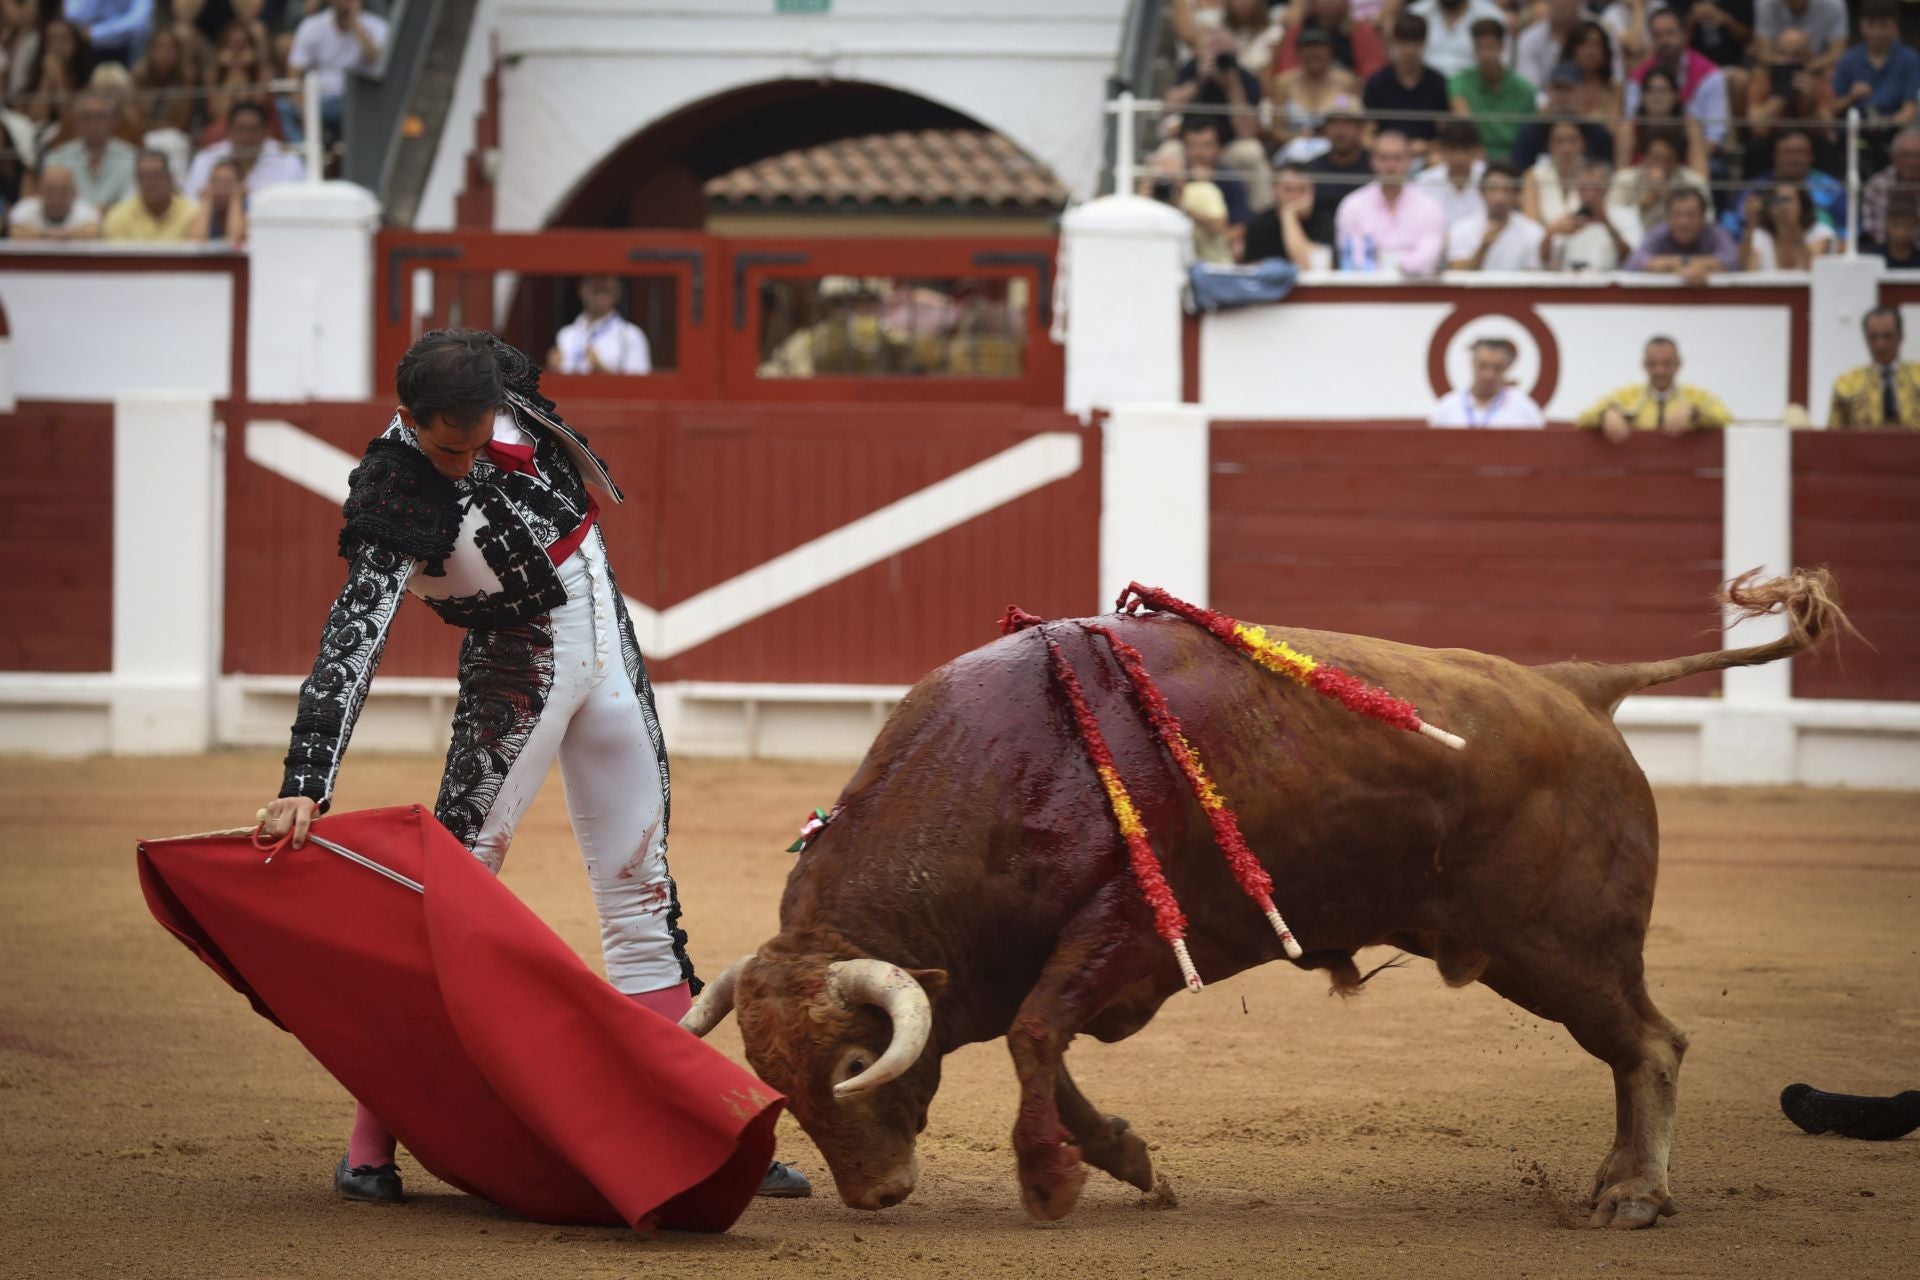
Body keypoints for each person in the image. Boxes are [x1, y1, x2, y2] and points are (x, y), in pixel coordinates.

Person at [257, 330, 813, 1204]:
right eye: (451, 447)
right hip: (516, 675)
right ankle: (370, 1148)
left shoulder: (498, 382)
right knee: (447, 907)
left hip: (609, 648)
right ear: (410, 420)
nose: (467, 460)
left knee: (643, 891)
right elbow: (352, 640)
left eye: (480, 439)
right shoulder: (397, 488)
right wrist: (306, 777)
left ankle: (700, 1126)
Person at [1333, 128, 1447, 274]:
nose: (1391, 165)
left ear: (1409, 161)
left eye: (1397, 158)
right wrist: (1402, 260)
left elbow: (1427, 260)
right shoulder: (1352, 205)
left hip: (1415, 293)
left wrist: (1383, 260)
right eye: (1384, 158)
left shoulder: (1429, 207)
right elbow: (1354, 258)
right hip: (1366, 292)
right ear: (1373, 161)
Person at [1577, 336, 1733, 442]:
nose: (1659, 371)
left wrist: (1695, 415)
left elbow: (1727, 419)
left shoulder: (1695, 396)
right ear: (1644, 365)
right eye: (1652, 364)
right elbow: (1582, 419)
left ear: (1678, 365)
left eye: (1666, 364)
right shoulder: (1628, 396)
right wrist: (1605, 414)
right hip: (1636, 476)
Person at [1625, 7, 1730, 149]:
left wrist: (1687, 162)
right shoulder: (1638, 77)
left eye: (1670, 33)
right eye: (1657, 35)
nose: (1664, 41)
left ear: (1685, 34)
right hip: (1647, 158)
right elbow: (1632, 127)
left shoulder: (1710, 74)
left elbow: (1715, 135)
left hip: (1699, 155)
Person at [285, 0, 386, 138]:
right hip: (319, 98)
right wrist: (298, 100)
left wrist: (356, 25)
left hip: (357, 98)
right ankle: (303, 156)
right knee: (282, 108)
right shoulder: (311, 25)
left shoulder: (378, 26)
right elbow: (294, 71)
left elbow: (377, 60)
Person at [1746, 28, 1838, 174]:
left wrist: (1810, 101)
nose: (1788, 61)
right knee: (1756, 146)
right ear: (1774, 56)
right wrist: (1781, 95)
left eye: (1796, 56)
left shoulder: (1819, 86)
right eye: (1783, 54)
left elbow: (1826, 129)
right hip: (1772, 142)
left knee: (1826, 146)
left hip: (1809, 144)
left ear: (1808, 60)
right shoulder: (1762, 83)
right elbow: (1757, 128)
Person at [1723, 130, 1845, 237]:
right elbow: (1731, 224)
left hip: (1821, 253)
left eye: (1799, 152)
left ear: (1811, 156)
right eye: (1787, 152)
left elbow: (1848, 227)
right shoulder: (1755, 189)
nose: (1793, 158)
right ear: (1775, 156)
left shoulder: (1831, 188)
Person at [1362, 12, 1450, 157]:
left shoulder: (1438, 83)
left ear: (1424, 43)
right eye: (1404, 42)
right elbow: (1366, 135)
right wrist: (1390, 148)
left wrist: (1427, 146)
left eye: (1414, 42)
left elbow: (1445, 135)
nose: (1409, 50)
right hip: (1386, 157)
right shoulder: (1377, 83)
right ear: (1394, 42)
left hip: (1425, 156)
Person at [1606, 124, 1712, 244]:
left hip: (1681, 245)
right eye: (1655, 158)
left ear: (1677, 161)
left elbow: (1708, 219)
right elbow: (1613, 217)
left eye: (1668, 159)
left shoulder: (1694, 182)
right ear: (1644, 157)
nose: (1661, 164)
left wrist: (1669, 197)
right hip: (1634, 245)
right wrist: (1648, 200)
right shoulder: (1624, 180)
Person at [1449, 18, 1534, 164]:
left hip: (1515, 159)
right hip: (1474, 157)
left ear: (1502, 47)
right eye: (1480, 48)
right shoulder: (1460, 82)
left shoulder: (1524, 89)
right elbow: (1463, 123)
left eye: (1490, 47)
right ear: (1474, 50)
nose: (1486, 55)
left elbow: (1531, 135)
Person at [1270, 27, 1358, 161]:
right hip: (1294, 150)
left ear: (1330, 52)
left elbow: (1352, 121)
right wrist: (1297, 138)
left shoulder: (1345, 82)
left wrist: (1329, 136)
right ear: (1298, 52)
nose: (1314, 53)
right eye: (1308, 48)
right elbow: (1277, 130)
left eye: (1320, 48)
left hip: (1334, 150)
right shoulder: (1284, 83)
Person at [184, 99, 302, 197]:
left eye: (254, 129)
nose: (247, 136)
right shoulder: (206, 159)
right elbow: (192, 201)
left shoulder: (288, 161)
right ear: (228, 131)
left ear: (265, 132)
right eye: (241, 129)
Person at [40, 88, 136, 207]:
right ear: (76, 121)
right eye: (87, 117)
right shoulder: (57, 159)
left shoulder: (133, 157)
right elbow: (53, 202)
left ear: (112, 121)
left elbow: (132, 203)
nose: (93, 124)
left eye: (100, 117)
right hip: (74, 224)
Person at [1827, 307, 1920, 428]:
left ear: (1901, 336)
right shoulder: (1847, 382)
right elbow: (1833, 435)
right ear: (1866, 338)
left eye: (1888, 336)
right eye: (1873, 337)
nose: (1881, 344)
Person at [1511, 62, 1613, 169]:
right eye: (1557, 90)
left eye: (1568, 90)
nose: (1562, 97)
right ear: (1548, 92)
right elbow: (1520, 174)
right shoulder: (1529, 133)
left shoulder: (1598, 134)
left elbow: (1606, 171)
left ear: (1581, 93)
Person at [1428, 337, 1547, 427]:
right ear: (1472, 364)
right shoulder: (1446, 408)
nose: (1489, 375)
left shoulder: (1525, 409)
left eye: (1497, 368)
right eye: (1483, 366)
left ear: (1506, 369)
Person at [1625, 187, 1738, 280]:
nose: (1684, 223)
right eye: (1677, 215)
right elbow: (1633, 263)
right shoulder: (1660, 232)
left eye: (1691, 215)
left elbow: (1733, 261)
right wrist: (1679, 265)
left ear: (1703, 218)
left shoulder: (1716, 232)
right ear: (1668, 218)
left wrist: (1678, 266)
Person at [1447, 162, 1545, 270]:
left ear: (1517, 195)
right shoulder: (1462, 229)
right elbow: (1456, 271)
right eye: (1493, 189)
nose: (1499, 198)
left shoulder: (1533, 232)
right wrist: (1484, 247)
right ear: (1482, 192)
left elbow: (1535, 275)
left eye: (1506, 190)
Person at [1302, 97, 1372, 245]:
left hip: (1368, 247)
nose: (1340, 130)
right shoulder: (1311, 169)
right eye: (1334, 123)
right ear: (1325, 128)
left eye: (1348, 123)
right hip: (1319, 249)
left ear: (1360, 128)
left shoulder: (1375, 168)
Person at [1619, 64, 1711, 174]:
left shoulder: (1690, 128)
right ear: (1642, 96)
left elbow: (1701, 176)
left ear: (1676, 96)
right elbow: (1621, 177)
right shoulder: (1629, 129)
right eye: (1650, 90)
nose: (1656, 96)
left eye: (1662, 90)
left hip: (1681, 188)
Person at [1547, 157, 1635, 268]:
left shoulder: (1625, 216)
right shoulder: (1567, 219)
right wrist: (1549, 234)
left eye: (1595, 188)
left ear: (1607, 187)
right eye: (1583, 188)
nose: (1589, 194)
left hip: (1608, 283)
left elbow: (1631, 257)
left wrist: (1605, 220)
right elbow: (1548, 261)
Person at [1241, 163, 1331, 266]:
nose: (1295, 196)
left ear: (1312, 190)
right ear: (1275, 190)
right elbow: (1253, 270)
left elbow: (1310, 265)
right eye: (1289, 189)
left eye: (1302, 189)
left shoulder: (1324, 221)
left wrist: (1288, 215)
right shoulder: (1259, 224)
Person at [1271, 0, 1387, 79]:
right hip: (1303, 97)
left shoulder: (1362, 32)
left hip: (1344, 101)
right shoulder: (1296, 31)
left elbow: (1373, 75)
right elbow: (1286, 72)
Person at [100, 146, 194, 239]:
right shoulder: (118, 218)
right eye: (143, 177)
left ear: (170, 178)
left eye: (156, 176)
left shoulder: (192, 215)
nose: (149, 183)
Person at [1739, 183, 1833, 270]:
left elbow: (1811, 268)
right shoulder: (1760, 235)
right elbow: (1748, 269)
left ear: (1802, 205)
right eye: (1777, 200)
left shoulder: (1820, 232)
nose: (1783, 206)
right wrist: (1750, 224)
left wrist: (1792, 227)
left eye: (1787, 200)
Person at [1408, 0, 1507, 80]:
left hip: (1474, 94)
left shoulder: (1492, 16)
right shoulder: (1415, 13)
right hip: (1425, 94)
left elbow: (1503, 63)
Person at [1414, 116, 1486, 224]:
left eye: (1466, 149)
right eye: (1453, 149)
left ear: (1477, 150)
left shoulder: (1490, 178)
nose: (1459, 158)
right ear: (1441, 150)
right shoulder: (1425, 182)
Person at [1522, 117, 1591, 226]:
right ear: (1549, 144)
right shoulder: (1533, 176)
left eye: (1572, 140)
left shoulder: (1594, 177)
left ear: (1583, 143)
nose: (1566, 148)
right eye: (1559, 141)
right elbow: (1530, 226)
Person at [1752, 0, 1848, 76]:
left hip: (1817, 64)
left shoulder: (1833, 4)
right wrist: (1789, 65)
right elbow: (1764, 55)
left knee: (1832, 73)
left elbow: (1837, 54)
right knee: (1758, 73)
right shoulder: (1765, 3)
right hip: (1778, 64)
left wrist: (1805, 67)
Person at [5, 161, 100, 238]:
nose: (56, 198)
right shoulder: (25, 207)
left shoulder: (86, 209)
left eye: (64, 191)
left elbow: (92, 232)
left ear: (74, 192)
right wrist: (50, 235)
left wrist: (45, 236)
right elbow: (15, 232)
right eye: (50, 191)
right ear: (39, 191)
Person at [1862, 127, 1920, 251]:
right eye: (1906, 155)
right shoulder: (1876, 185)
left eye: (1917, 156)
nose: (1912, 162)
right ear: (1893, 157)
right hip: (1886, 256)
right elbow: (1872, 230)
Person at [61, 0, 153, 67]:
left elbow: (138, 21)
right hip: (88, 48)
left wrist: (95, 32)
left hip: (127, 49)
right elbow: (72, 14)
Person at [187, 155, 246, 243]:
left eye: (227, 182)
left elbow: (235, 241)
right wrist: (206, 201)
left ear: (239, 186)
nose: (221, 188)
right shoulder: (204, 208)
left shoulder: (248, 209)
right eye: (216, 181)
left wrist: (236, 199)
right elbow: (195, 242)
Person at [1872, 195, 1920, 267]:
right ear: (1886, 224)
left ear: (1916, 225)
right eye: (1895, 225)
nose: (1901, 232)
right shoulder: (1873, 258)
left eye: (1907, 226)